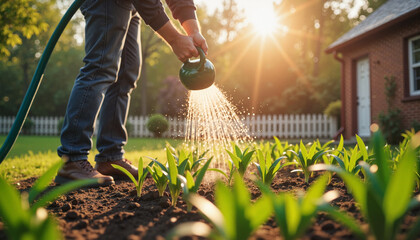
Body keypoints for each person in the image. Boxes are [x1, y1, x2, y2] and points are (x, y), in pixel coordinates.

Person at [55, 0, 208, 185]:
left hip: (130, 5)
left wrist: (194, 32)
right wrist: (175, 39)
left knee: (126, 74)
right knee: (101, 67)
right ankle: (72, 159)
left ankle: (110, 157)